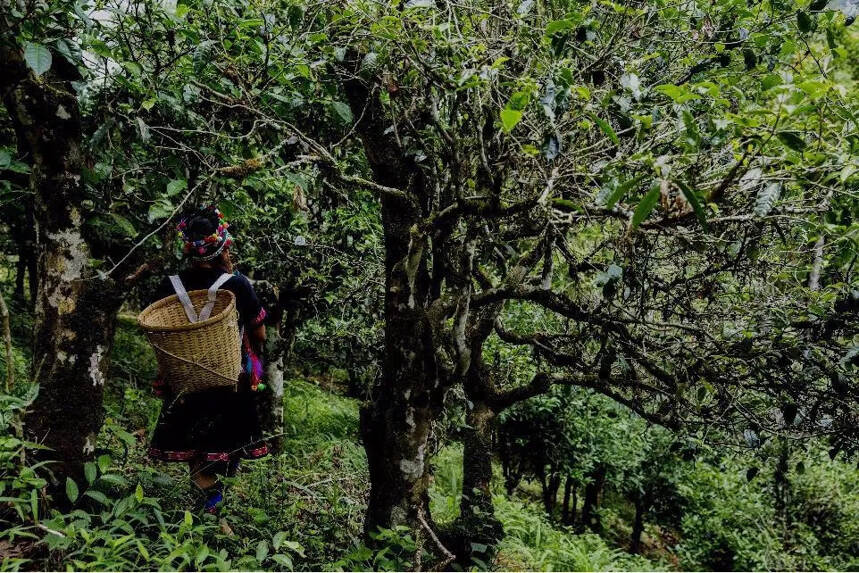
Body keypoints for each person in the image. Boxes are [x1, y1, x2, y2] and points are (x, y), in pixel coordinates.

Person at [147, 205, 269, 514]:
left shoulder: (169, 285)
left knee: (197, 451)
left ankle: (205, 511)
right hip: (228, 382)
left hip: (185, 383)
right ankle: (214, 515)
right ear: (223, 246)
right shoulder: (237, 285)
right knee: (225, 450)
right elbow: (260, 334)